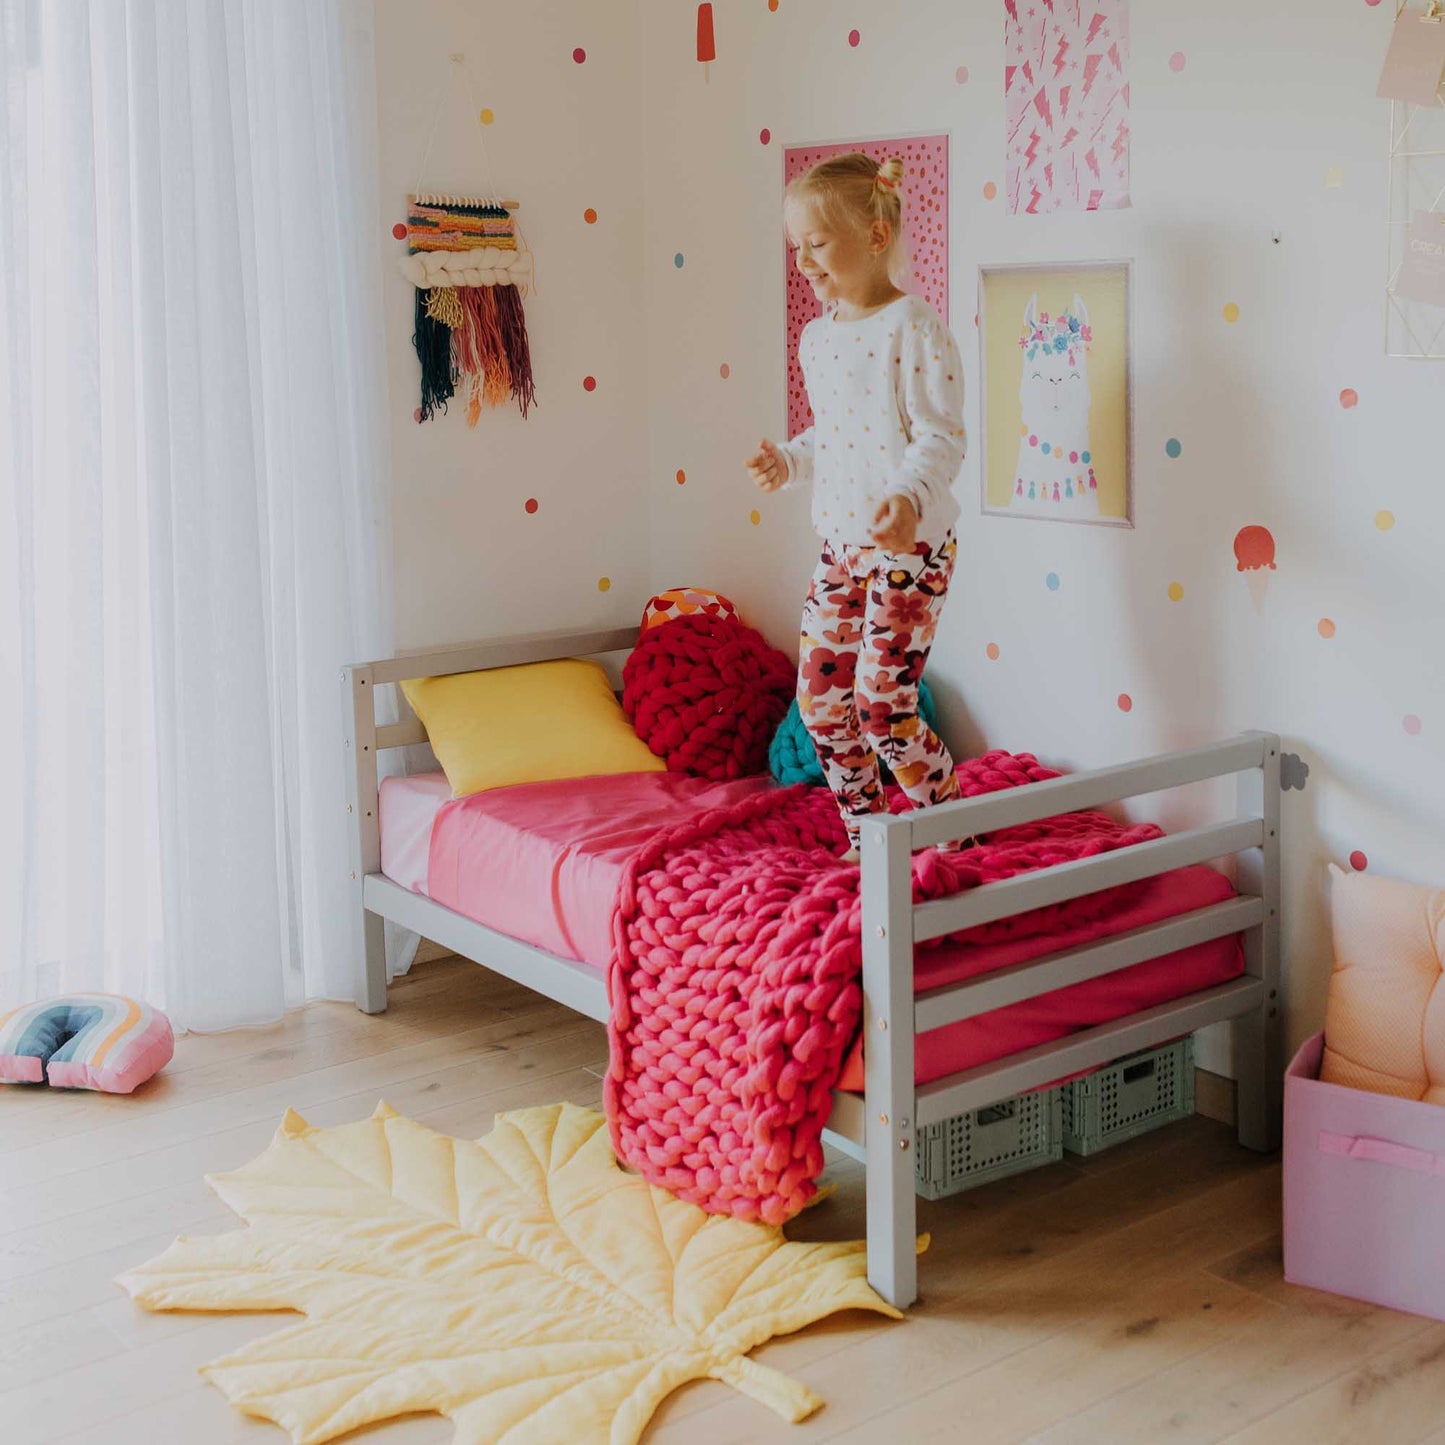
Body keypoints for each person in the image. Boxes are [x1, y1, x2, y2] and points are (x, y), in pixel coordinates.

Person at [747, 153, 969, 861]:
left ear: (874, 237)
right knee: (820, 704)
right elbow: (836, 437)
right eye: (796, 249)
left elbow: (939, 436)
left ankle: (948, 833)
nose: (804, 262)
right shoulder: (819, 337)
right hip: (839, 549)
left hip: (910, 551)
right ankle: (867, 841)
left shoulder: (913, 327)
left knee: (882, 706)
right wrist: (788, 460)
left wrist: (907, 498)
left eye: (817, 244)